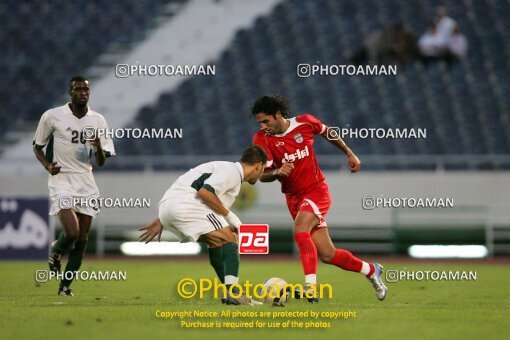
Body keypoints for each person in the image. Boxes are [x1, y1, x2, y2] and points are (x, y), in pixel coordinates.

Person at [251, 95, 387, 303]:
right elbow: (261, 175)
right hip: (293, 198)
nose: (263, 126)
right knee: (328, 255)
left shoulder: (305, 122)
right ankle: (370, 269)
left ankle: (311, 288)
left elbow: (328, 132)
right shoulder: (261, 139)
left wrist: (349, 153)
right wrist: (277, 172)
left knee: (300, 230)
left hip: (316, 191)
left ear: (278, 114)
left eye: (265, 121)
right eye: (259, 122)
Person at [139, 145, 268, 306]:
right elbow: (205, 193)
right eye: (263, 169)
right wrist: (232, 218)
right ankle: (234, 292)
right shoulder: (233, 172)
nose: (262, 173)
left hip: (170, 206)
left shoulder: (226, 170)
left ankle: (232, 292)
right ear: (258, 166)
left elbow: (191, 189)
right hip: (186, 205)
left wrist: (161, 219)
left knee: (216, 242)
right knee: (229, 238)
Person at [33, 75, 115, 296]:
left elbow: (100, 161)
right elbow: (37, 146)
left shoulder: (98, 120)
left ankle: (65, 286)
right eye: (78, 89)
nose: (83, 93)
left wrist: (98, 147)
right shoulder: (53, 116)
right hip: (62, 179)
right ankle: (55, 251)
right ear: (70, 92)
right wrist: (47, 166)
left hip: (86, 181)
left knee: (82, 240)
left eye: (86, 90)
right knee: (71, 232)